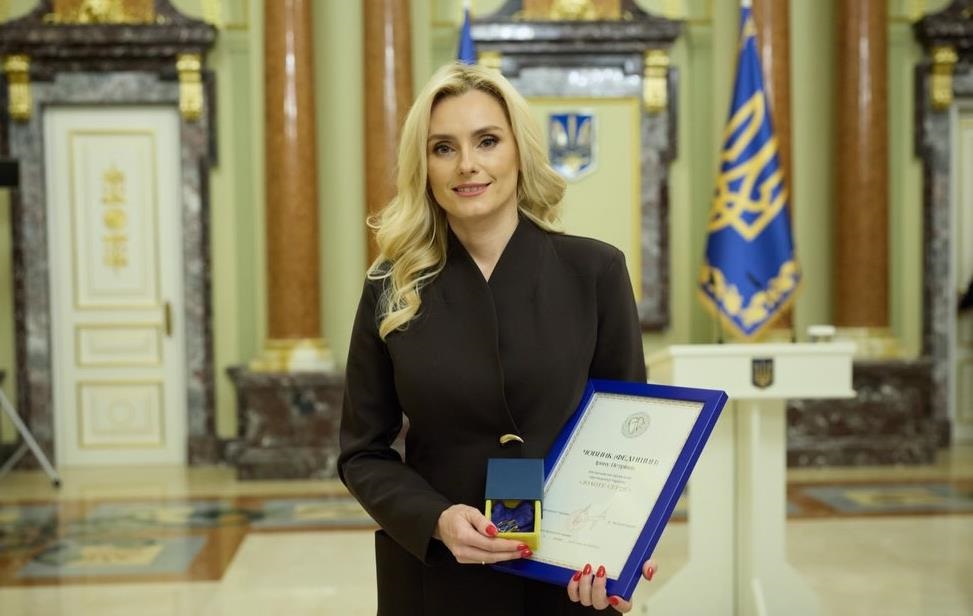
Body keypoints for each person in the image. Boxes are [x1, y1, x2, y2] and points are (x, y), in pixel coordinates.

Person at [338, 62, 655, 615]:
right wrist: (435, 519)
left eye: (487, 141)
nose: (467, 164)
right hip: (438, 578)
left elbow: (628, 436)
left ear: (519, 152)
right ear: (424, 167)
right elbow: (362, 452)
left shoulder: (595, 270)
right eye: (443, 148)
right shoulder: (390, 286)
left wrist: (621, 546)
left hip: (567, 575)